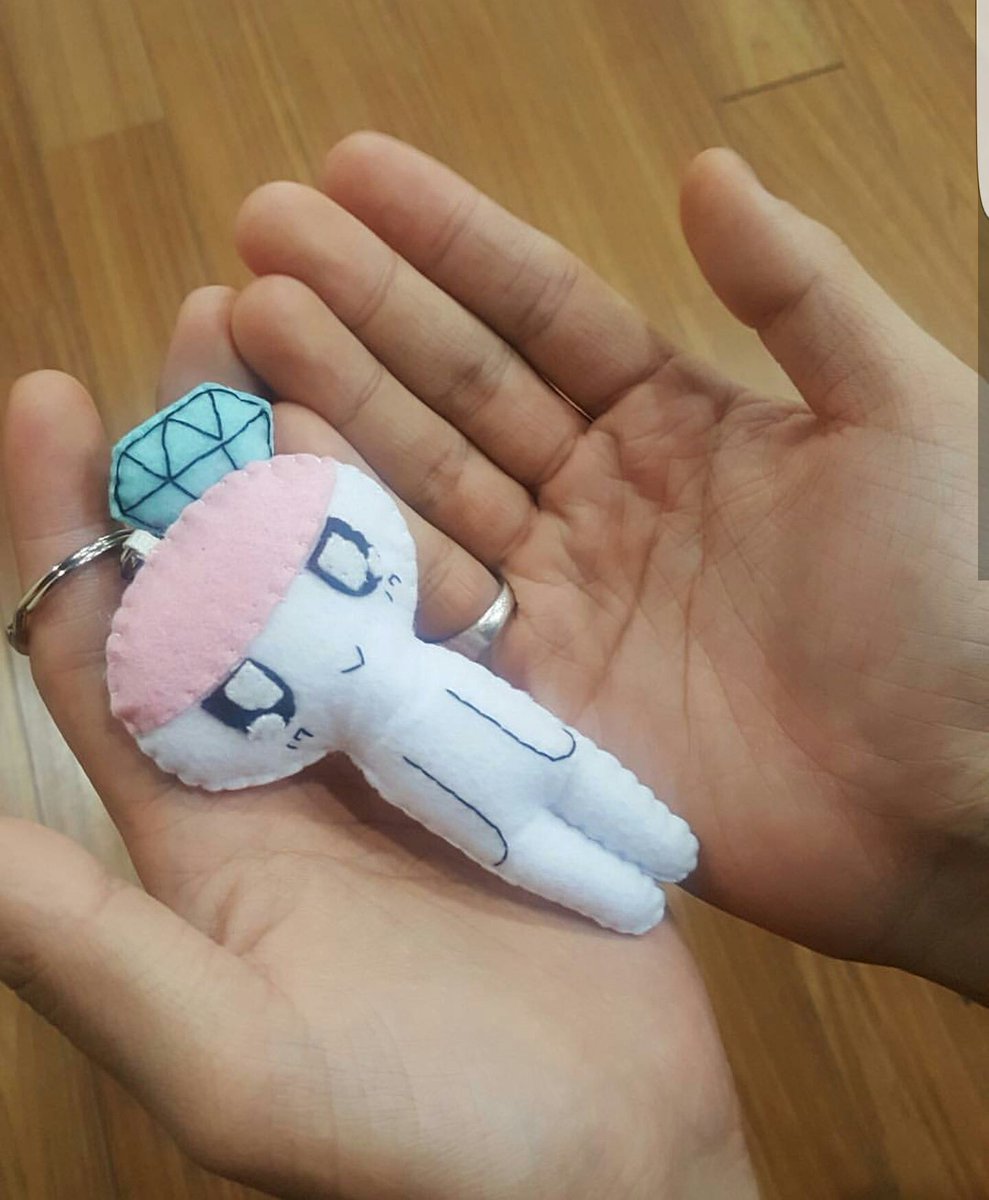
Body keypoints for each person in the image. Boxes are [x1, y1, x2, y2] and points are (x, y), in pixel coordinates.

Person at [1, 135, 983, 1200]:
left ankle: (645, 860)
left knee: (569, 781)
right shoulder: (270, 582)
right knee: (525, 828)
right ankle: (625, 885)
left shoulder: (296, 545)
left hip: (470, 726)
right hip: (443, 755)